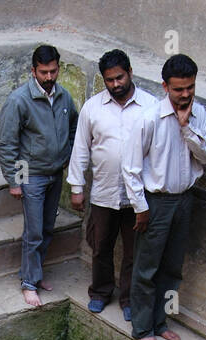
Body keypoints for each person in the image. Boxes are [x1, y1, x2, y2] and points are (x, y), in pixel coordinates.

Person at [122, 54, 206, 340]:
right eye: (179, 89)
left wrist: (187, 128)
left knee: (173, 267)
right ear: (165, 87)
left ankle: (160, 322)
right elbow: (131, 167)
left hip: (184, 200)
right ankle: (142, 327)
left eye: (190, 87)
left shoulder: (199, 114)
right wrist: (141, 208)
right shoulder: (149, 118)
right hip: (156, 202)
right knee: (147, 267)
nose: (185, 94)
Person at [67, 50, 156, 322]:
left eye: (119, 77)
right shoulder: (93, 108)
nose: (116, 84)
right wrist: (76, 187)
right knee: (100, 245)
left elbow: (157, 151)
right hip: (103, 193)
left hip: (137, 196)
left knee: (133, 250)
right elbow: (81, 148)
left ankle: (129, 298)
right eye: (109, 80)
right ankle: (100, 292)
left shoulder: (151, 106)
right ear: (102, 80)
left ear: (130, 71)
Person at [0, 45, 78, 309]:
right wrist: (14, 180)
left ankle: (35, 273)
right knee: (33, 231)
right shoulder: (19, 100)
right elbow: (8, 143)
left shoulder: (64, 97)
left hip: (54, 173)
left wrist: (66, 155)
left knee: (46, 228)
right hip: (31, 175)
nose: (49, 77)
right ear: (33, 71)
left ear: (58, 69)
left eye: (53, 71)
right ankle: (29, 283)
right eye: (43, 72)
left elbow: (74, 127)